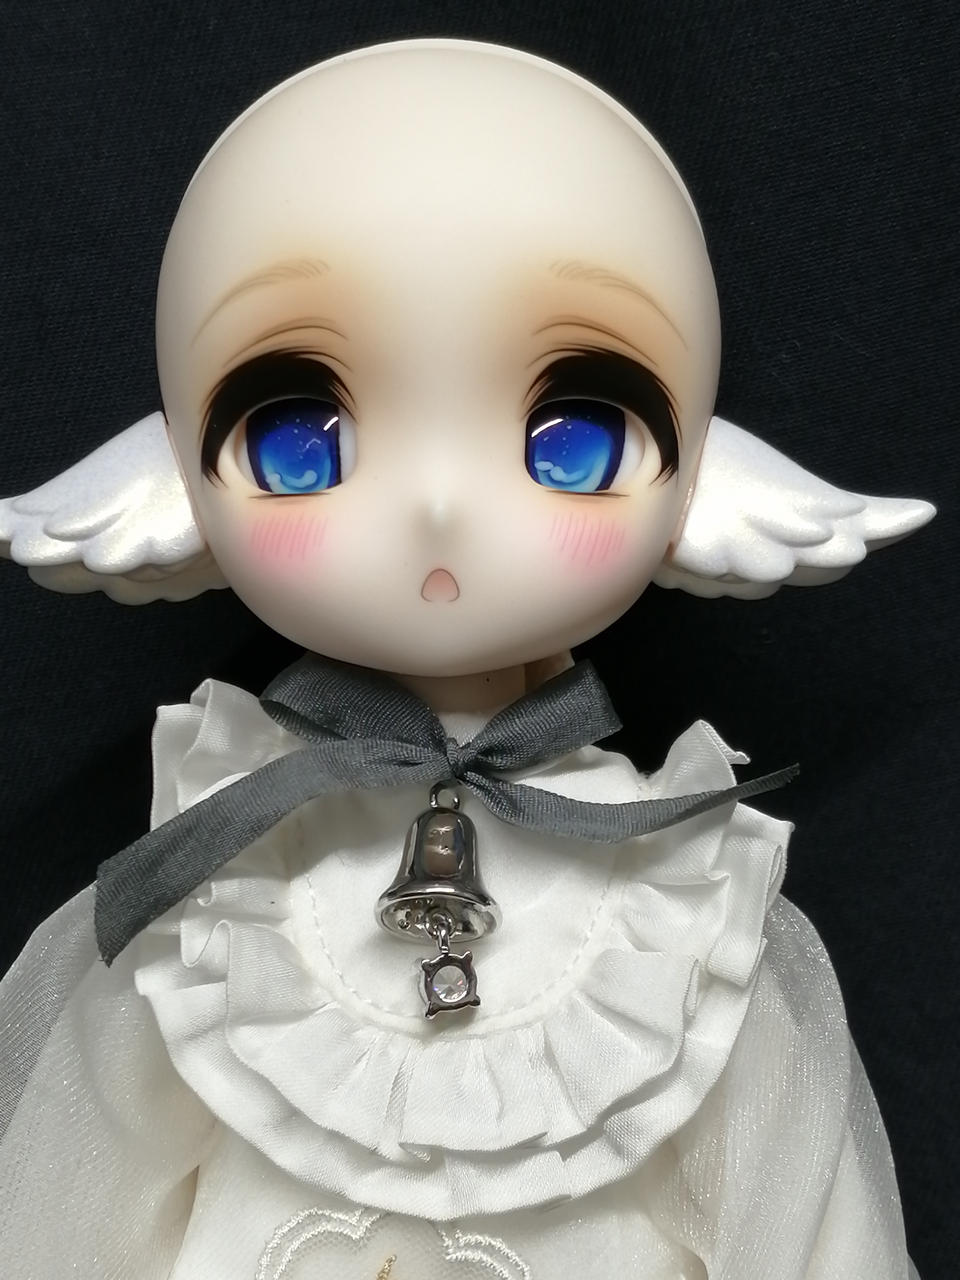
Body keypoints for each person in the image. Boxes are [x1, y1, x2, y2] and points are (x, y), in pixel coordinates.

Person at [0, 39, 929, 1279]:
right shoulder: (215, 884)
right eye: (297, 433)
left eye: (572, 434)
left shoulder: (678, 911)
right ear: (175, 471)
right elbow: (69, 1207)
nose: (438, 506)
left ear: (700, 474)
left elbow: (800, 1225)